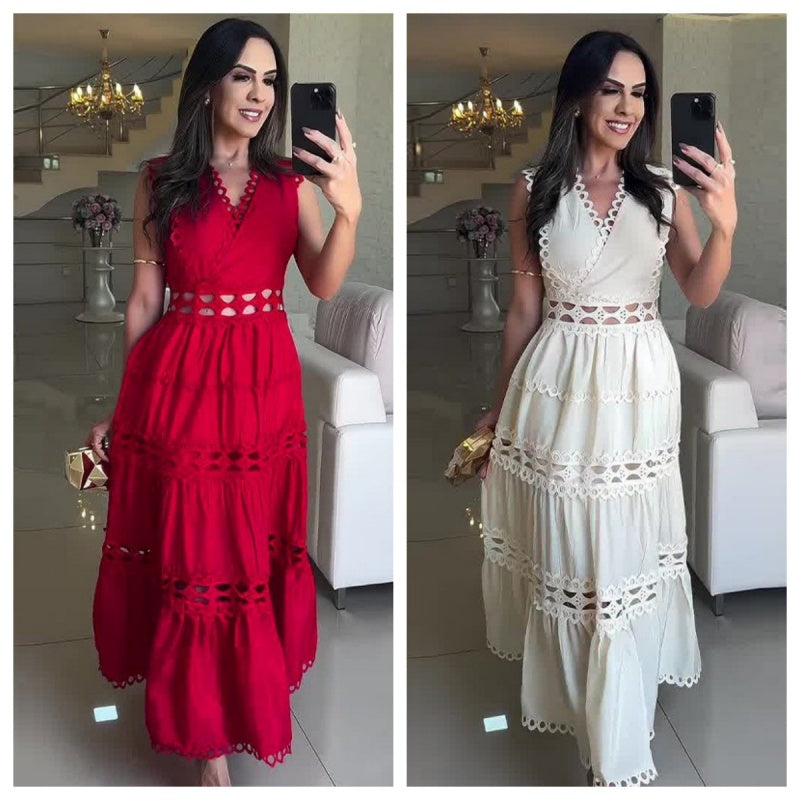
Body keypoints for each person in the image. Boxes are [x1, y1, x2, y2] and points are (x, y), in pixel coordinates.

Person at [85, 18, 361, 786]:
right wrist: (120, 407)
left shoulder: (291, 184)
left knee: (249, 549)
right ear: (208, 85)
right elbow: (145, 301)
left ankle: (240, 695)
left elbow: (325, 282)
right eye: (243, 75)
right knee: (196, 549)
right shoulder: (159, 179)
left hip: (264, 393)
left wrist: (350, 209)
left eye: (270, 80)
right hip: (178, 384)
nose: (260, 94)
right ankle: (208, 746)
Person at [476, 30, 736, 786]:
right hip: (556, 386)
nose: (627, 107)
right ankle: (590, 714)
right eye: (612, 89)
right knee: (574, 554)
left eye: (640, 93)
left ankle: (616, 742)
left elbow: (700, 290)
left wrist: (725, 222)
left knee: (624, 560)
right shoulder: (533, 188)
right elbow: (523, 312)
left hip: (637, 388)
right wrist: (496, 412)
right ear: (579, 96)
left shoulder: (663, 189)